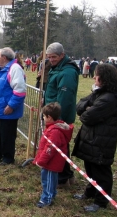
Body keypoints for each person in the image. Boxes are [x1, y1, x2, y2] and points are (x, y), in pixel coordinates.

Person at [72, 64, 117, 212]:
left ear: (103, 79)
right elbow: (79, 106)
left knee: (101, 172)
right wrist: (88, 107)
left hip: (101, 142)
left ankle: (101, 201)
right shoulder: (98, 94)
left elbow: (88, 117)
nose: (94, 77)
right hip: (91, 140)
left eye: (97, 75)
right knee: (90, 169)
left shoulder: (109, 98)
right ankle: (90, 192)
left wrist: (87, 109)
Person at [44, 42, 79, 185]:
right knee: (57, 144)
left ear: (62, 55)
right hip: (52, 112)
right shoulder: (56, 68)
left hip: (59, 115)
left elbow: (64, 98)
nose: (51, 60)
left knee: (60, 146)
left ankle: (63, 175)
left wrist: (56, 117)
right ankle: (64, 173)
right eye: (49, 57)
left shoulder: (67, 72)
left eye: (54, 57)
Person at [0, 47, 26, 165]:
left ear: (4, 57)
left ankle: (8, 158)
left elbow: (20, 90)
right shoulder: (1, 70)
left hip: (8, 110)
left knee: (7, 135)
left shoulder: (15, 69)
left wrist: (11, 106)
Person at [33, 102, 73, 208]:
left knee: (48, 181)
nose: (43, 118)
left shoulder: (54, 132)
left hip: (51, 163)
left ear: (49, 117)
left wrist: (41, 161)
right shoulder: (52, 128)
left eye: (44, 116)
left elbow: (50, 149)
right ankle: (51, 194)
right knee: (50, 179)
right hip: (49, 162)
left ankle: (47, 198)